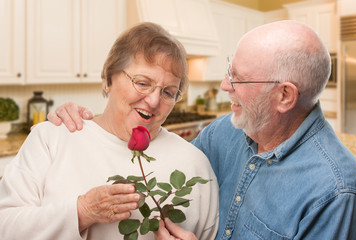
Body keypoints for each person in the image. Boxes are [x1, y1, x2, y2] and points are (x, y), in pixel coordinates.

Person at [48, 20, 356, 239]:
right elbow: (167, 164)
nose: (225, 86)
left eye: (238, 79)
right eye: (228, 70)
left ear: (285, 96)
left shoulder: (335, 192)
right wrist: (94, 125)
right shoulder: (224, 132)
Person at [0, 22, 219, 240]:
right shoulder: (53, 138)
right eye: (142, 83)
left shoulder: (195, 164)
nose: (153, 101)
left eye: (168, 92)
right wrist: (82, 211)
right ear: (108, 79)